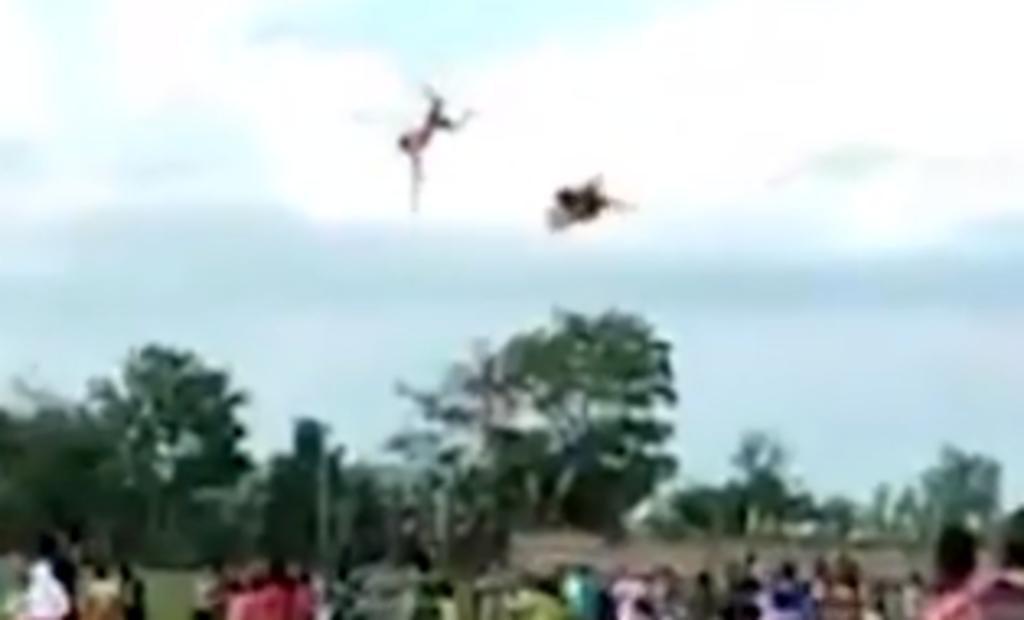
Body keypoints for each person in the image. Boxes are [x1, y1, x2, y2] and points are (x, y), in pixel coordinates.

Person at [397, 86, 472, 211]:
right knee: (453, 125)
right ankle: (467, 114)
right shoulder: (413, 142)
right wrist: (419, 177)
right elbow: (416, 165)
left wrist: (418, 178)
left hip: (432, 122)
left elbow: (416, 165)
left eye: (408, 148)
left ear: (408, 145)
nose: (409, 151)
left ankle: (429, 93)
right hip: (433, 124)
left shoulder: (414, 145)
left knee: (441, 106)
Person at [548, 176, 631, 231]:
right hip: (586, 207)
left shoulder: (581, 195)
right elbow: (579, 215)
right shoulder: (574, 207)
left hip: (588, 205)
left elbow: (589, 190)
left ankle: (624, 207)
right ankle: (624, 207)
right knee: (603, 202)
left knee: (605, 201)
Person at [23, 535, 70, 620]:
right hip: (47, 613)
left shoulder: (38, 570)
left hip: (40, 613)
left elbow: (30, 593)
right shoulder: (52, 569)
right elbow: (63, 603)